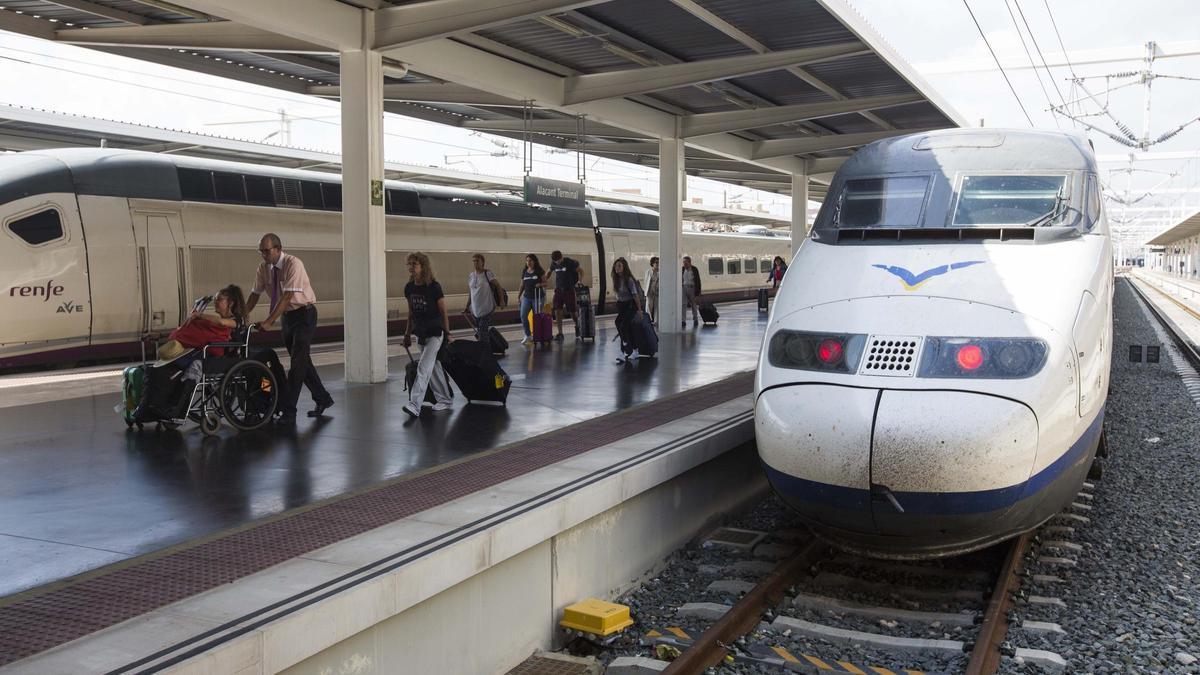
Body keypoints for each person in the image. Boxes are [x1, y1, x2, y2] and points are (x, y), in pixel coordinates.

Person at [245, 233, 334, 424]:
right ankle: (323, 398)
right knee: (303, 362)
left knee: (297, 365)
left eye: (267, 251)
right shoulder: (263, 268)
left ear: (278, 249)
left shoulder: (294, 264)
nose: (263, 255)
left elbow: (286, 298)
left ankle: (289, 411)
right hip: (287, 318)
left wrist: (269, 321)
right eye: (261, 251)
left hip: (304, 315)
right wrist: (243, 315)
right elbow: (255, 294)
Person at [402, 252, 454, 418]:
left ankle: (414, 405)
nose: (411, 267)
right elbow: (410, 313)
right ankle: (445, 399)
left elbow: (443, 312)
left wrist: (447, 334)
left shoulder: (434, 287)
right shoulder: (409, 288)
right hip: (421, 333)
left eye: (414, 264)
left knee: (423, 368)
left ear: (423, 266)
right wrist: (407, 334)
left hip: (435, 333)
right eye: (409, 264)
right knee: (433, 367)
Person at [611, 257, 644, 364]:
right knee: (626, 329)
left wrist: (639, 310)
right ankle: (635, 350)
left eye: (619, 266)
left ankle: (624, 350)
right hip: (622, 306)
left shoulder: (629, 280)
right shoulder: (616, 280)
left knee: (622, 325)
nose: (617, 268)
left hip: (630, 305)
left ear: (624, 267)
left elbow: (635, 296)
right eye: (616, 266)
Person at [546, 250, 584, 341]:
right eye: (556, 261)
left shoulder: (570, 262)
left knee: (572, 312)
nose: (557, 262)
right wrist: (543, 280)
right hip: (559, 290)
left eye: (558, 260)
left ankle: (577, 325)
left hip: (569, 290)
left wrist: (580, 280)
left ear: (562, 257)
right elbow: (548, 272)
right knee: (557, 310)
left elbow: (581, 271)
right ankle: (560, 333)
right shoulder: (554, 263)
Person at [465, 253, 498, 341]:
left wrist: (501, 301)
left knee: (483, 330)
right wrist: (467, 306)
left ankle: (485, 351)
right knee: (481, 330)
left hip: (487, 307)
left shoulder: (488, 273)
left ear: (482, 262)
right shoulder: (471, 276)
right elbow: (471, 292)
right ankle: (484, 348)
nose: (475, 263)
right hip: (475, 309)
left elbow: (498, 286)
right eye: (474, 261)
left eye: (477, 261)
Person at [518, 253, 546, 345]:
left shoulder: (539, 271)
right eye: (527, 261)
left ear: (534, 261)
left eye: (530, 260)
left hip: (538, 297)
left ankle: (537, 335)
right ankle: (527, 335)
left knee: (536, 317)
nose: (528, 262)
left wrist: (540, 284)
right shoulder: (524, 271)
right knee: (523, 315)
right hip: (527, 297)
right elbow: (522, 285)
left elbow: (545, 283)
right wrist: (519, 296)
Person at [681, 255, 702, 328]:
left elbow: (698, 281)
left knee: (693, 304)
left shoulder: (694, 269)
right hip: (684, 288)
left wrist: (698, 292)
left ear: (690, 262)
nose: (684, 264)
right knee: (683, 304)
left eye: (686, 262)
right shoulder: (682, 269)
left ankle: (695, 319)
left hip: (692, 288)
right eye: (683, 262)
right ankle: (683, 320)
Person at [643, 256, 660, 326]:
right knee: (648, 306)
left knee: (657, 307)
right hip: (649, 292)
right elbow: (646, 282)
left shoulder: (660, 272)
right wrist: (645, 292)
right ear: (652, 263)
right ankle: (648, 320)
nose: (658, 264)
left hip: (657, 292)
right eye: (656, 262)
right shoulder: (648, 272)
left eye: (659, 263)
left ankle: (656, 321)